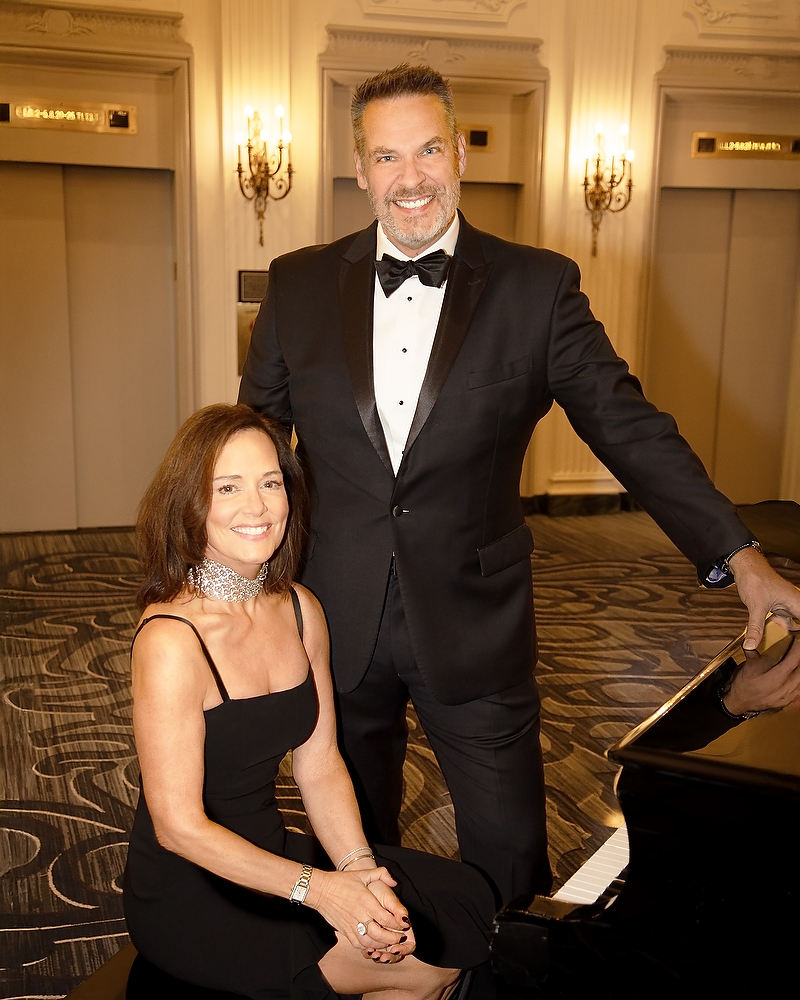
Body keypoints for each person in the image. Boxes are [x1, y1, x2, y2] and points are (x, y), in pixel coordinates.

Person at [238, 64, 800, 907]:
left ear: (459, 152)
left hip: (475, 619)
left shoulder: (537, 288)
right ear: (360, 170)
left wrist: (740, 555)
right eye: (387, 157)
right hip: (332, 616)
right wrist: (236, 585)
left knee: (508, 860)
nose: (411, 177)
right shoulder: (298, 283)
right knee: (351, 843)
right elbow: (253, 444)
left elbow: (629, 428)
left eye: (429, 149)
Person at [122, 402, 494, 1000]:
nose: (257, 507)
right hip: (192, 887)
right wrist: (321, 891)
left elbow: (318, 763)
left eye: (271, 482)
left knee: (457, 906)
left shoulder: (299, 608)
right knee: (432, 969)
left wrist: (356, 870)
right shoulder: (172, 639)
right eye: (228, 487)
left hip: (271, 852)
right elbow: (180, 829)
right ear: (190, 505)